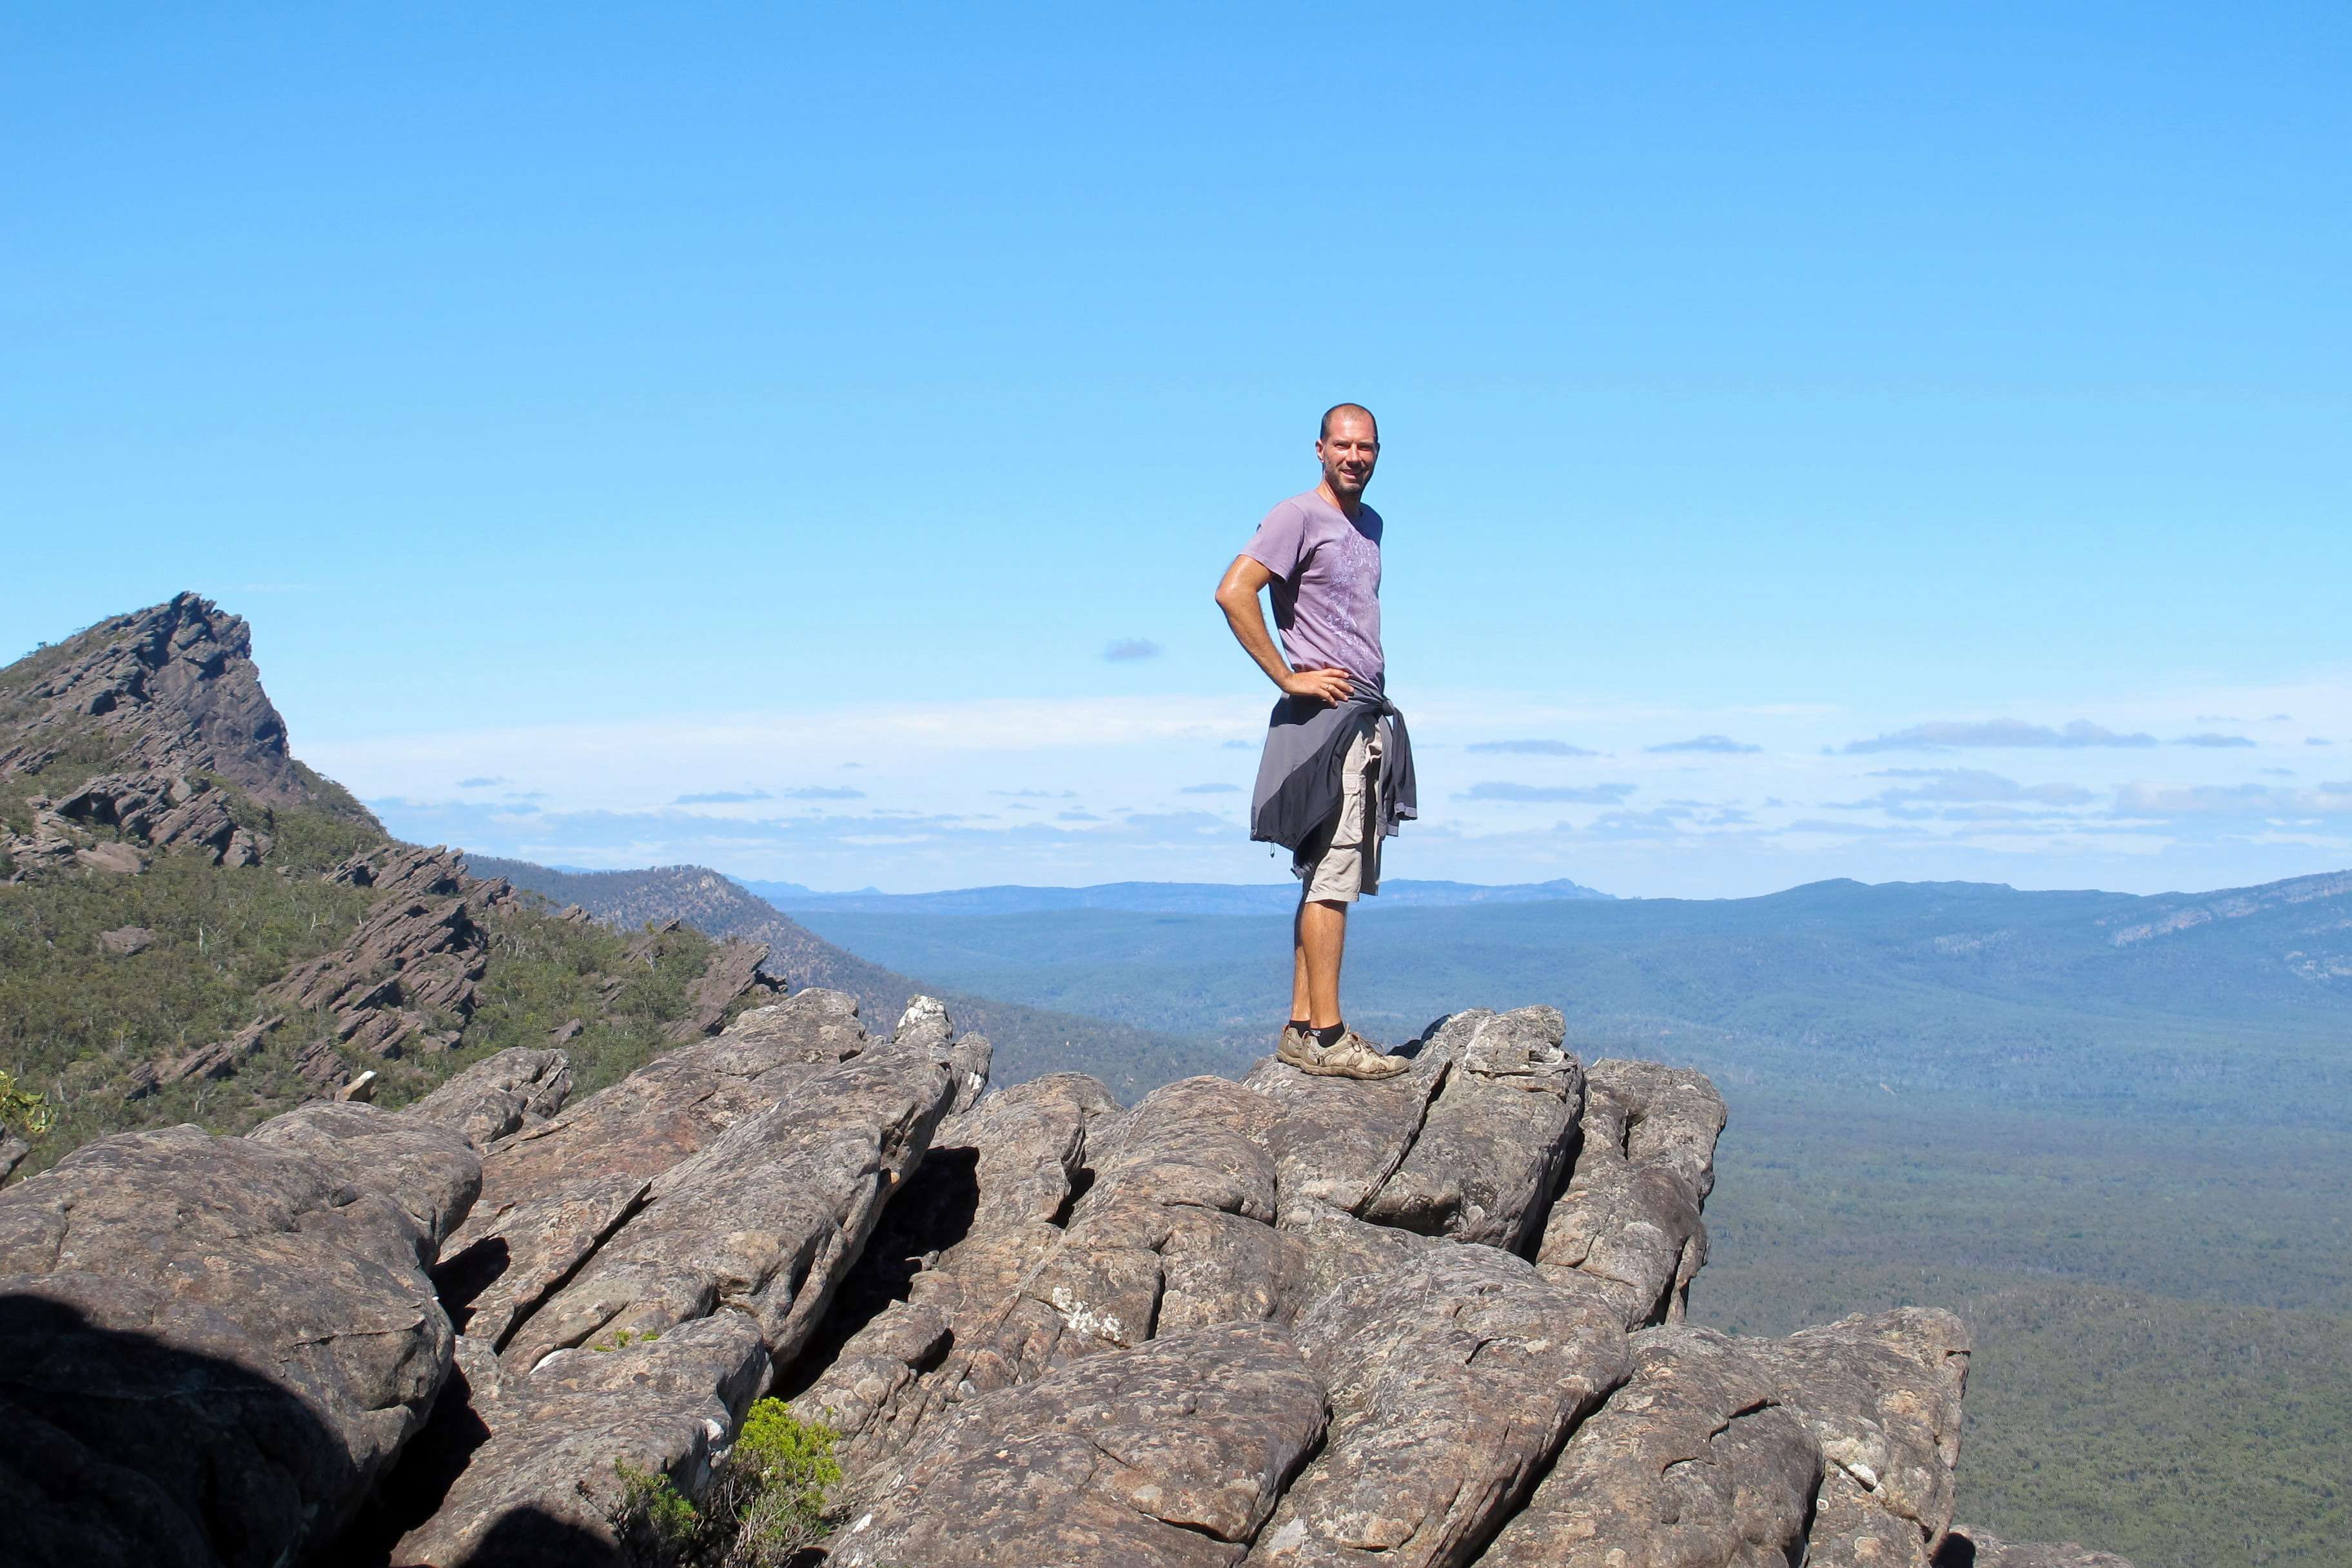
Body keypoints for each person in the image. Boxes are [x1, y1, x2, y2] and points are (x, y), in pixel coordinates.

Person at [1214, 403, 1417, 1080]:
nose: (1355, 456)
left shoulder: (1371, 524)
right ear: (1320, 449)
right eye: (1343, 445)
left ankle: (1303, 1025)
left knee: (1323, 875)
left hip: (1360, 716)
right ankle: (1328, 1038)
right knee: (1334, 878)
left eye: (1367, 447)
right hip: (1328, 722)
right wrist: (1287, 675)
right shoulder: (1297, 515)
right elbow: (1234, 590)